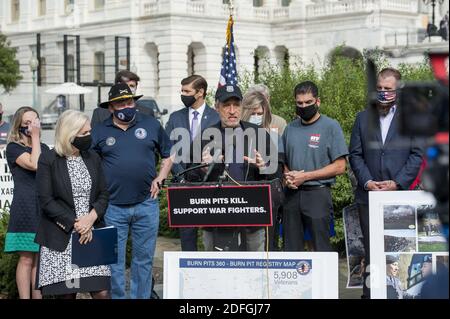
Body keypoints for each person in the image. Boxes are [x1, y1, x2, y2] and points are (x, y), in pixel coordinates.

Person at [91, 83, 173, 299]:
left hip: (146, 203)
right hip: (112, 207)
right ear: (111, 107)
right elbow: (89, 164)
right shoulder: (99, 131)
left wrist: (161, 176)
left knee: (143, 260)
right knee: (114, 261)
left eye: (129, 101)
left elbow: (169, 154)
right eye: (120, 103)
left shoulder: (151, 124)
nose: (126, 106)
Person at [349, 67, 423, 299]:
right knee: (371, 252)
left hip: (399, 197)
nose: (382, 93)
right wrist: (368, 181)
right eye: (379, 88)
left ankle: (400, 293)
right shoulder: (362, 118)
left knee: (399, 251)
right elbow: (355, 155)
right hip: (368, 196)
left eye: (388, 89)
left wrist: (397, 183)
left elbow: (417, 155)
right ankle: (370, 294)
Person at [190, 84, 283, 251]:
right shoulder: (205, 136)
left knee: (255, 265)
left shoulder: (259, 134)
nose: (232, 110)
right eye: (226, 105)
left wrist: (264, 167)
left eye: (236, 105)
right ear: (216, 107)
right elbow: (190, 178)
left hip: (253, 211)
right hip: (216, 214)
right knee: (217, 266)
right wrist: (203, 169)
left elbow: (277, 172)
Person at [35, 110, 110, 298]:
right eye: (84, 133)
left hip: (91, 235)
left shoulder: (92, 157)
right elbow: (46, 200)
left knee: (102, 292)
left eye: (89, 132)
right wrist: (76, 224)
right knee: (66, 295)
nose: (89, 137)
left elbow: (103, 194)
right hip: (62, 236)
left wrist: (90, 219)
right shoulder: (48, 159)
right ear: (69, 134)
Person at [282, 81, 348, 252]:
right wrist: (288, 177)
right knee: (291, 249)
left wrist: (306, 176)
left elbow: (340, 166)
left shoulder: (331, 126)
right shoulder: (290, 128)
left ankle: (324, 280)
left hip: (317, 194)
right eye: (299, 103)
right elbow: (283, 162)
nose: (303, 106)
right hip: (292, 196)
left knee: (321, 248)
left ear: (317, 102)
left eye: (308, 102)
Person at [164, 75, 220, 251]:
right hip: (183, 185)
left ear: (200, 92)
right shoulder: (175, 118)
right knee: (187, 237)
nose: (183, 94)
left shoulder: (216, 117)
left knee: (213, 235)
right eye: (182, 90)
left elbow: (223, 148)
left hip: (210, 184)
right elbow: (168, 149)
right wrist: (179, 176)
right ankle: (188, 276)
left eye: (187, 91)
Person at [4, 106, 49, 299]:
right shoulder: (14, 148)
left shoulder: (45, 148)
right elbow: (34, 164)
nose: (32, 126)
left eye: (35, 121)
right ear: (19, 126)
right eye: (27, 123)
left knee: (40, 258)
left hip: (43, 206)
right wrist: (36, 137)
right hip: (25, 207)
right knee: (26, 258)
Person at [240, 90, 283, 250]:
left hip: (264, 204)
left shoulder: (273, 137)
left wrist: (264, 167)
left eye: (260, 113)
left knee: (265, 248)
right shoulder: (234, 137)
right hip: (238, 202)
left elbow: (279, 175)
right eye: (253, 113)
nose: (257, 117)